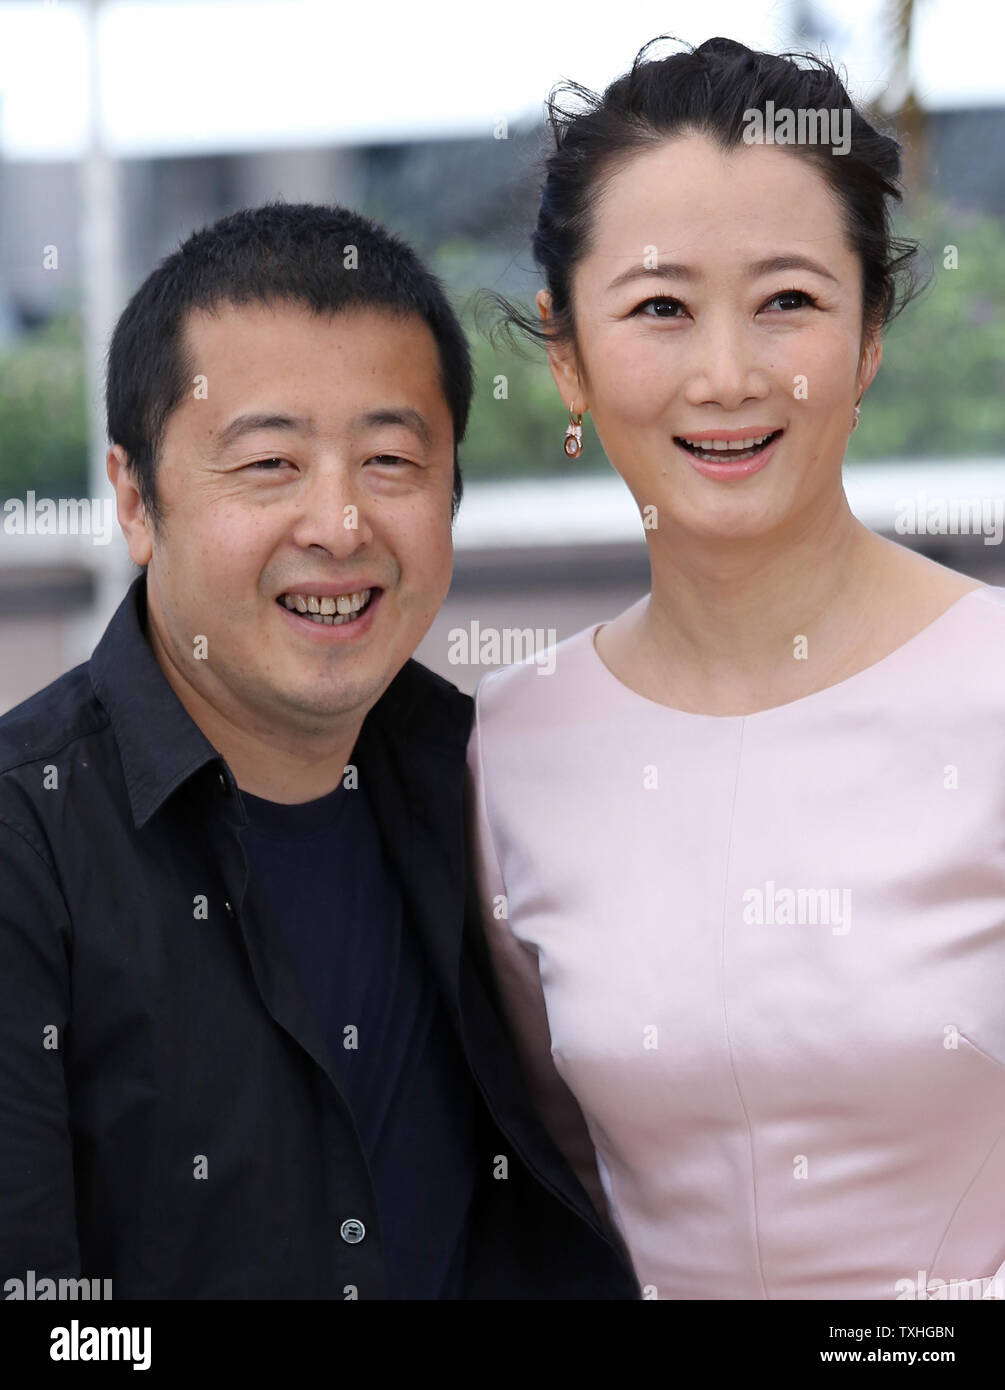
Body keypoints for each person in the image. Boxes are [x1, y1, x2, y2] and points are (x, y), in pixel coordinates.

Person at [0, 202, 640, 1300]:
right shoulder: (28, 841)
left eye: (390, 458)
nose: (339, 524)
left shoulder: (488, 777)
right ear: (136, 500)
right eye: (269, 464)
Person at [466, 36, 1005, 1301]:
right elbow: (557, 1168)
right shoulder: (511, 742)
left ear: (870, 335)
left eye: (789, 301)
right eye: (659, 307)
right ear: (567, 352)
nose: (727, 376)